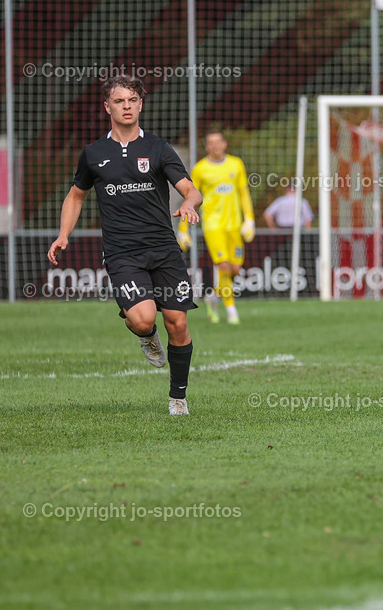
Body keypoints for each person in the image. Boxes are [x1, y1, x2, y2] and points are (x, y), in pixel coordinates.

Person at [48, 75, 202, 416]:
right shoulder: (94, 154)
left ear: (141, 104)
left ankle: (178, 398)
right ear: (108, 107)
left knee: (177, 322)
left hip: (164, 248)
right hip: (122, 253)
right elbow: (75, 196)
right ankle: (146, 336)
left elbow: (190, 189)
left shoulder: (158, 148)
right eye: (119, 101)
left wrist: (190, 204)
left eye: (132, 100)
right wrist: (63, 234)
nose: (127, 106)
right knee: (144, 320)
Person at [177, 130, 254, 325]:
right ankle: (231, 310)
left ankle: (212, 296)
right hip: (213, 225)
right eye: (211, 143)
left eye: (218, 142)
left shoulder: (236, 164)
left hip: (234, 225)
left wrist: (250, 219)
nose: (215, 146)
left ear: (224, 144)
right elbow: (191, 198)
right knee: (223, 265)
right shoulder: (200, 169)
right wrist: (183, 229)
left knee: (235, 269)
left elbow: (243, 192)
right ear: (206, 147)